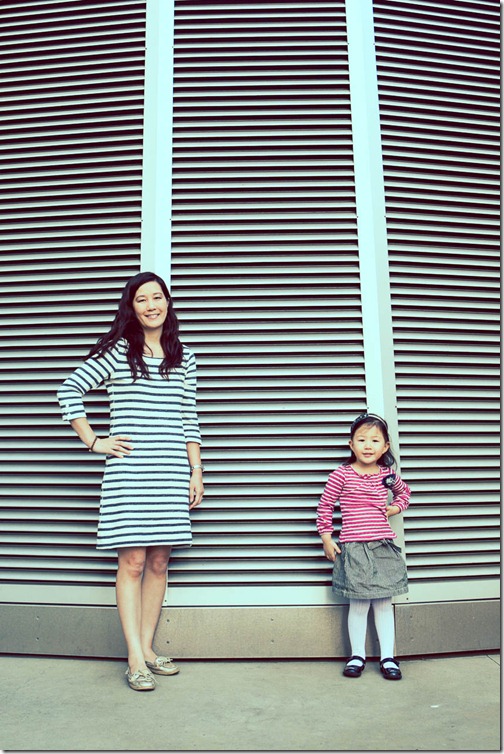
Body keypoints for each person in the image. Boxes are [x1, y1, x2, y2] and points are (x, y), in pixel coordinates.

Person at [57, 271, 204, 691]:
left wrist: (196, 470)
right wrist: (94, 441)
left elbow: (189, 417)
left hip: (171, 471)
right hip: (131, 472)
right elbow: (69, 390)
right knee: (134, 561)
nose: (151, 305)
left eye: (157, 297)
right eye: (142, 299)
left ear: (167, 302)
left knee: (159, 561)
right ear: (132, 307)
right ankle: (134, 657)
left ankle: (149, 648)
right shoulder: (119, 352)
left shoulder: (184, 357)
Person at [316, 413, 410, 680]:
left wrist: (394, 508)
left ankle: (388, 657)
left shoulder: (387, 475)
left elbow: (405, 493)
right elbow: (325, 506)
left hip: (382, 547)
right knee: (358, 604)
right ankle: (357, 655)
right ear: (351, 444)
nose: (368, 446)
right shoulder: (341, 475)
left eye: (375, 440)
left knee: (383, 604)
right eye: (362, 440)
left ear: (385, 446)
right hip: (354, 548)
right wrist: (326, 538)